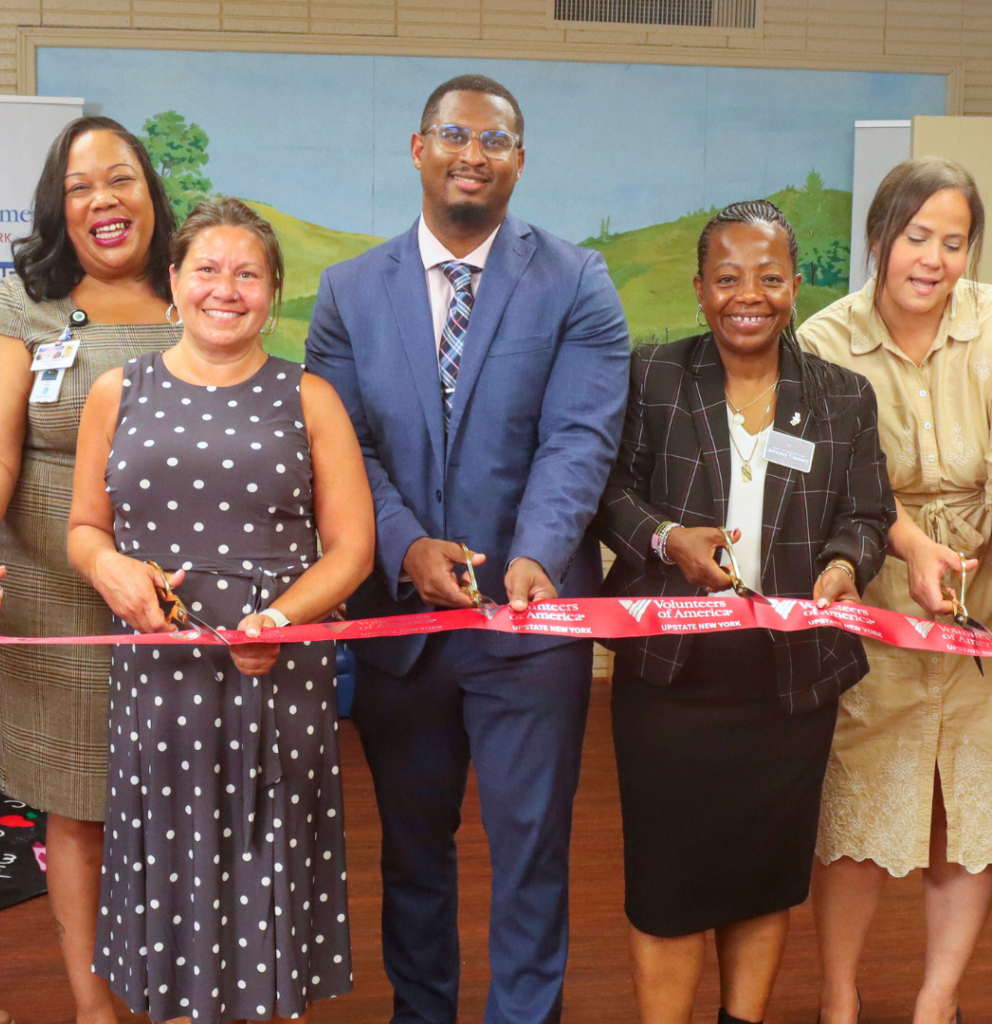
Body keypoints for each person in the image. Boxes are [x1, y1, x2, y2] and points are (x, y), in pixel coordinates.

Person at [305, 74, 629, 1024]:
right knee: (410, 849)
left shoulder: (578, 281)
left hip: (532, 618)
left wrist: (536, 551)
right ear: (418, 149)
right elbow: (345, 444)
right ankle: (423, 1011)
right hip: (398, 624)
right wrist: (401, 548)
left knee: (530, 847)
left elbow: (581, 437)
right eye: (454, 135)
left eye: (495, 140)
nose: (472, 153)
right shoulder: (349, 291)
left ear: (519, 161)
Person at [67, 197, 374, 1024]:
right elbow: (85, 527)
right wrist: (109, 570)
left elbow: (352, 551)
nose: (224, 289)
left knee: (259, 857)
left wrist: (278, 619)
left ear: (274, 293)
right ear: (174, 280)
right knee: (171, 860)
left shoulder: (311, 398)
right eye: (206, 268)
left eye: (247, 274)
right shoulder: (114, 391)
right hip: (158, 678)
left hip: (274, 674)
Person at [595, 200, 895, 1024]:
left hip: (791, 683)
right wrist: (663, 540)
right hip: (670, 678)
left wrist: (844, 565)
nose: (747, 295)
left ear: (796, 286)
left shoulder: (842, 397)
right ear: (700, 288)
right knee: (667, 884)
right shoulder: (650, 375)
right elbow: (608, 493)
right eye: (727, 278)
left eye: (768, 277)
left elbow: (867, 514)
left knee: (763, 877)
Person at [0, 116, 179, 1024]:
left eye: (121, 178)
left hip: (182, 600)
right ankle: (96, 1010)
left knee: (181, 810)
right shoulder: (24, 305)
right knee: (77, 810)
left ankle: (182, 994)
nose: (103, 199)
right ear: (60, 206)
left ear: (151, 193)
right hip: (58, 604)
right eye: (80, 186)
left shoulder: (193, 288)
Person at [799, 157, 992, 1024]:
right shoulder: (823, 341)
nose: (935, 260)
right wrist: (911, 545)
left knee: (972, 811)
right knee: (863, 813)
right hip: (873, 587)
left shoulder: (991, 323)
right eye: (918, 237)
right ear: (881, 237)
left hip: (983, 597)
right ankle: (839, 999)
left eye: (955, 243)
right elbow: (836, 481)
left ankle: (935, 1004)